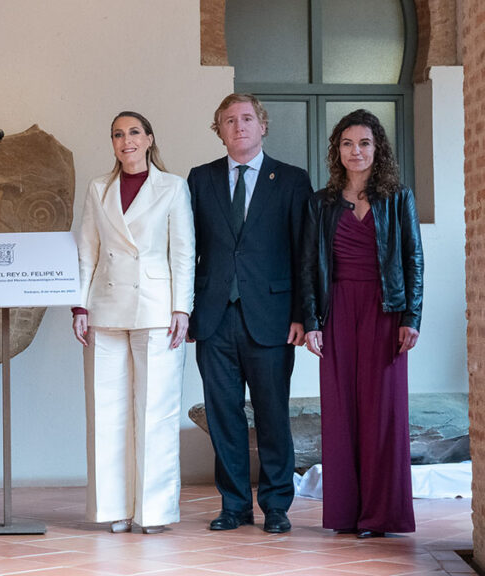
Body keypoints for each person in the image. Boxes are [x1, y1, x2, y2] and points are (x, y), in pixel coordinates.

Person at [187, 93, 312, 533]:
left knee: (273, 414)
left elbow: (305, 254)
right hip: (214, 318)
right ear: (218, 130)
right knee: (224, 416)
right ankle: (235, 505)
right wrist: (185, 311)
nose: (238, 126)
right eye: (228, 120)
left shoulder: (293, 180)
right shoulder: (199, 180)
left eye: (245, 118)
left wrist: (303, 315)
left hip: (274, 317)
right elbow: (188, 251)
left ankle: (276, 506)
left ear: (262, 125)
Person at [300, 109, 423, 539]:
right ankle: (345, 514)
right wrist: (312, 320)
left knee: (383, 412)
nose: (356, 151)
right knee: (340, 412)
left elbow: (413, 260)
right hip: (336, 313)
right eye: (348, 143)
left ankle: (380, 515)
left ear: (378, 149)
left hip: (385, 312)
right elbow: (309, 267)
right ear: (337, 150)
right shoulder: (320, 202)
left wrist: (412, 316)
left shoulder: (399, 197)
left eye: (364, 143)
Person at [74, 111, 195, 535]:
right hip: (104, 306)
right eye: (117, 135)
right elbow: (86, 248)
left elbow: (183, 251)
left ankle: (154, 511)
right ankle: (115, 508)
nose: (126, 141)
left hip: (157, 308)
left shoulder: (173, 186)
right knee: (106, 411)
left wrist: (182, 308)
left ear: (149, 139)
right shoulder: (98, 187)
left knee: (156, 410)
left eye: (133, 133)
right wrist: (79, 306)